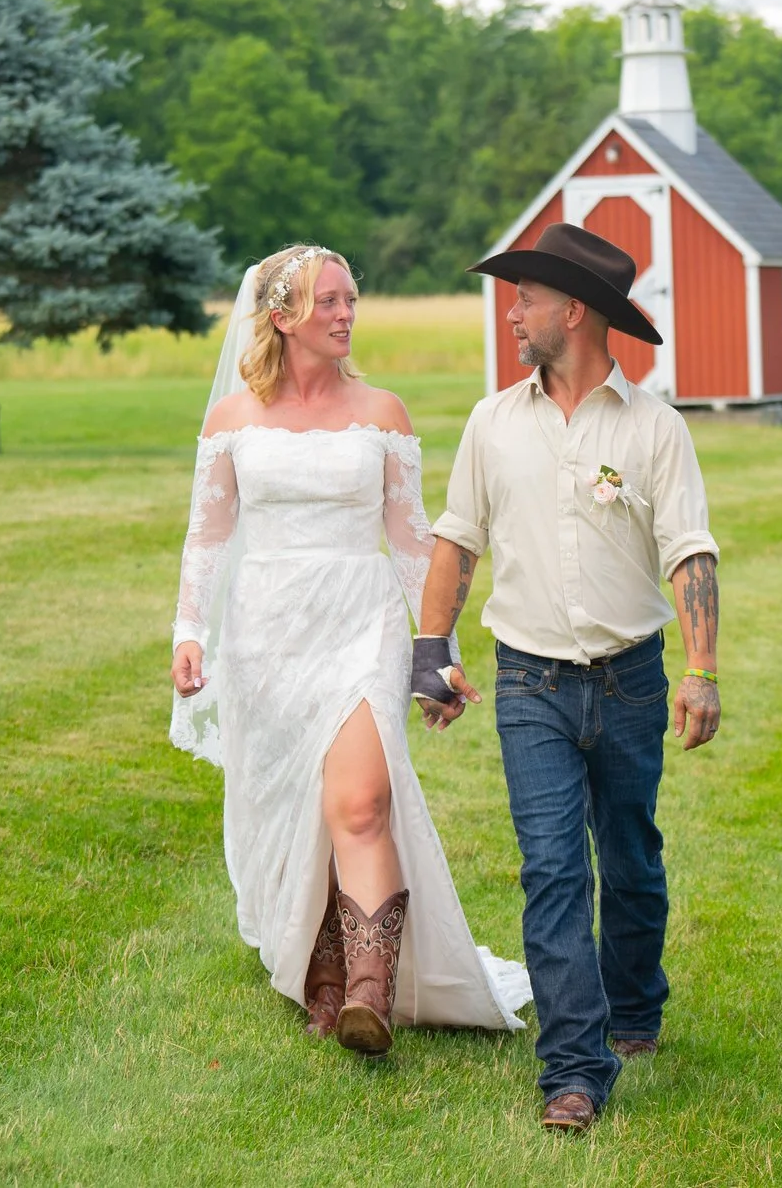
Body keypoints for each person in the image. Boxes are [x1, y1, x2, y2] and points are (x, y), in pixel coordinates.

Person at [169, 243, 531, 1056]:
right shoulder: (232, 420)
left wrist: (434, 651)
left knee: (362, 801)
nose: (344, 315)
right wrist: (190, 631)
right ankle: (321, 972)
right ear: (280, 315)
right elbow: (208, 535)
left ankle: (369, 994)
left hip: (357, 621)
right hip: (267, 629)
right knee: (295, 806)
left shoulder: (384, 413)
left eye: (350, 300)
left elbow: (412, 543)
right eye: (327, 301)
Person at [416, 223, 723, 1134]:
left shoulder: (654, 427)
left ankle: (634, 1006)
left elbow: (690, 551)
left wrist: (700, 670)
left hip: (631, 679)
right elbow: (456, 539)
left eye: (527, 299)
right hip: (529, 684)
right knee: (552, 871)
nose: (514, 313)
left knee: (629, 859)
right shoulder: (491, 423)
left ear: (574, 310)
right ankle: (573, 1070)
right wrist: (431, 655)